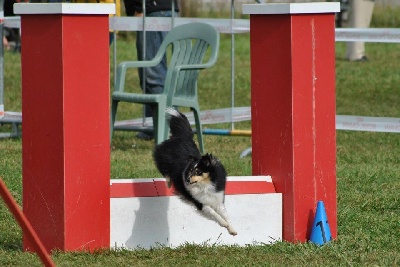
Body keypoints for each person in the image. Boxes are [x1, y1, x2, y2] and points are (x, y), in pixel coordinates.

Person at [124, 0, 179, 140]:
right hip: (161, 8)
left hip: (151, 10)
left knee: (153, 75)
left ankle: (169, 129)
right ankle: (154, 126)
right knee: (154, 74)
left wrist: (140, 6)